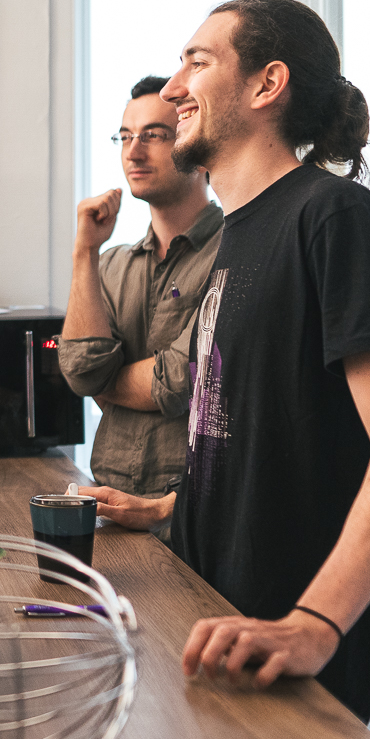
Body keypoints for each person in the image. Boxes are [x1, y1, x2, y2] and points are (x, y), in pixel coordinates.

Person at [83, 0, 370, 722]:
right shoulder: (241, 233)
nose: (175, 87)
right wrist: (170, 508)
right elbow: (261, 431)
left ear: (266, 84)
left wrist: (313, 624)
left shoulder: (335, 218)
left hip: (289, 655)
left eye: (198, 61)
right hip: (214, 624)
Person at [58, 75, 223, 535]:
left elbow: (182, 378)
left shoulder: (234, 254)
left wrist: (108, 382)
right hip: (108, 506)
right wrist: (84, 252)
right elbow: (80, 373)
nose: (133, 151)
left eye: (153, 135)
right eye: (125, 136)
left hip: (192, 515)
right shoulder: (109, 264)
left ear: (195, 145)